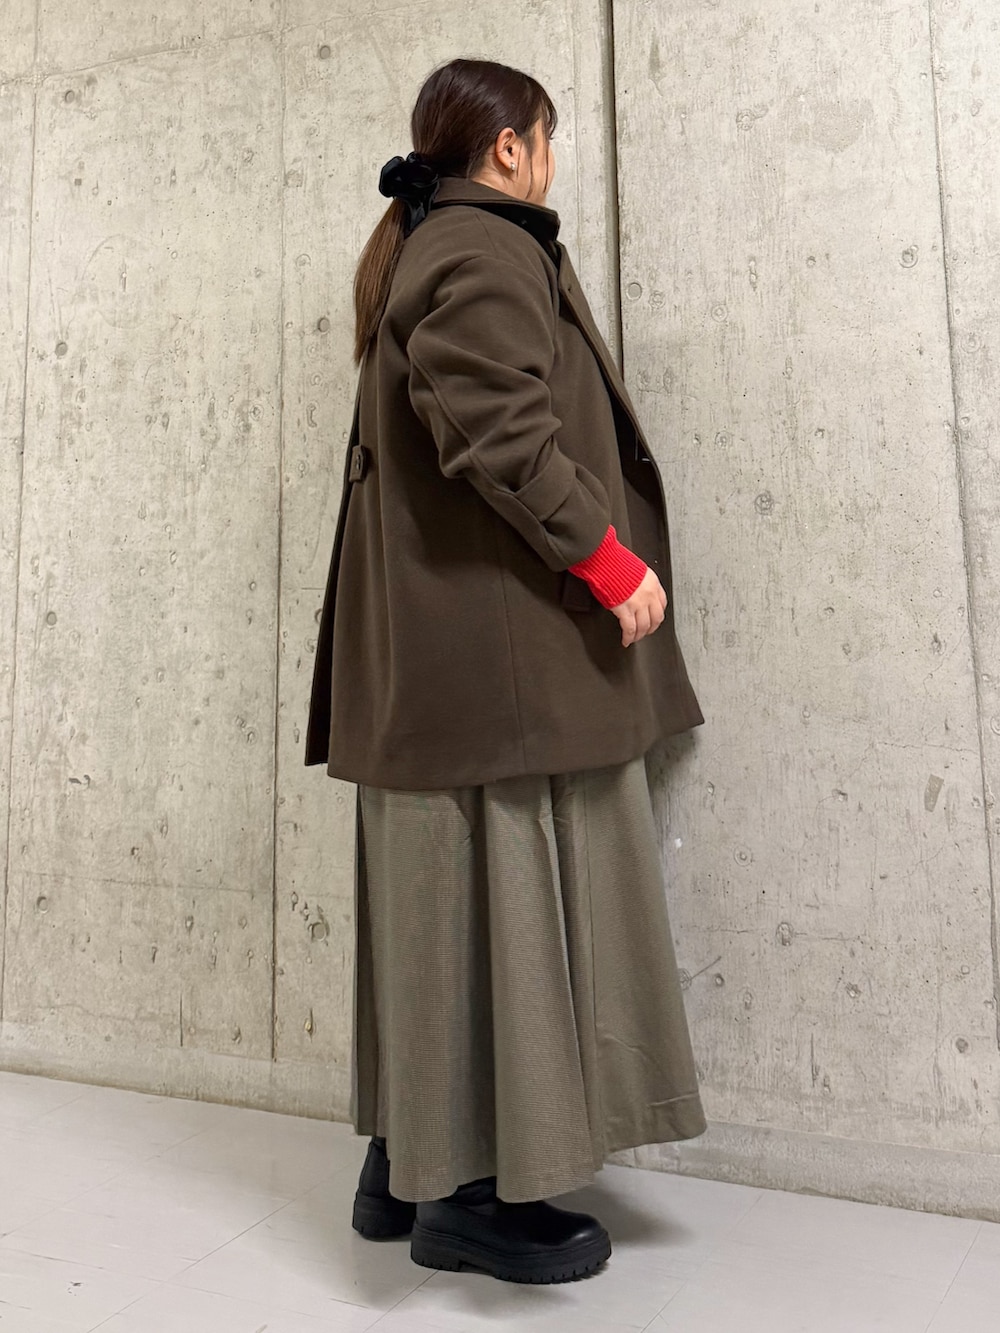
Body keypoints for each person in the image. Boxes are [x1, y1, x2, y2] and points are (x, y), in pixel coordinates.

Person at [304, 56, 706, 1285]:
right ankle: (473, 1198)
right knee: (502, 901)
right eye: (547, 137)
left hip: (443, 658)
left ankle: (405, 1163)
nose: (552, 159)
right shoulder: (482, 247)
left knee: (436, 902)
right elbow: (499, 429)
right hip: (496, 654)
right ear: (510, 149)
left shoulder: (430, 243)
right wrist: (608, 560)